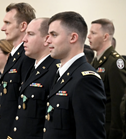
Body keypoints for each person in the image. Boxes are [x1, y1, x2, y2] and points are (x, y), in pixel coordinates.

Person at [43, 11, 106, 139]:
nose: (47, 40)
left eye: (53, 35)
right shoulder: (61, 74)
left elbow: (89, 135)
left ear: (73, 38)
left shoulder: (86, 79)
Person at [0, 3, 36, 139]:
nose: (2, 28)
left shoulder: (27, 57)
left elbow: (21, 106)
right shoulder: (14, 56)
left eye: (7, 23)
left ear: (23, 26)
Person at [7, 18, 59, 139]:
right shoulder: (33, 68)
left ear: (46, 39)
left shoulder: (55, 71)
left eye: (30, 34)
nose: (24, 39)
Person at [88, 18, 126, 139]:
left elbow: (118, 102)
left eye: (93, 33)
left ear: (105, 37)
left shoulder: (115, 62)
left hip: (108, 129)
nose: (88, 36)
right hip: (96, 125)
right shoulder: (95, 61)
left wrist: (116, 132)